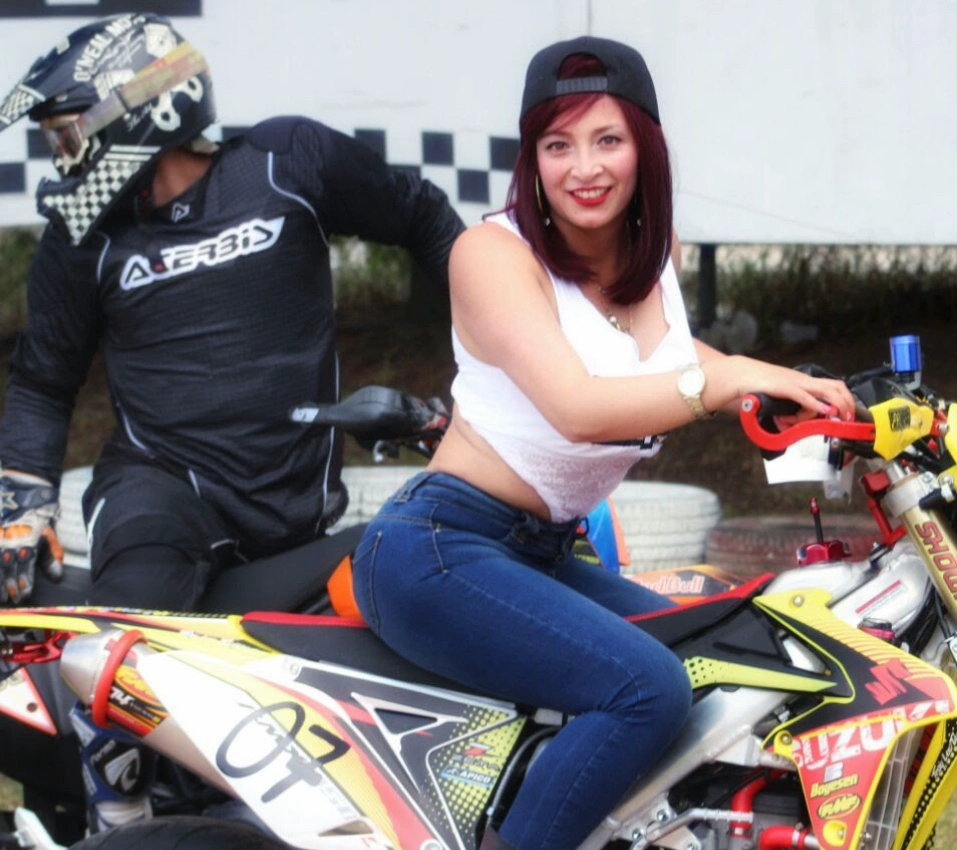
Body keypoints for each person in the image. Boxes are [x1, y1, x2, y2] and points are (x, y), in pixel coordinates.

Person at [352, 36, 857, 850]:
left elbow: (671, 362)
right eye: (558, 145)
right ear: (532, 160)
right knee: (648, 688)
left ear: (645, 148)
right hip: (438, 550)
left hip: (540, 554)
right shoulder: (491, 255)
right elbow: (578, 406)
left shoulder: (650, 259)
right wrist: (724, 382)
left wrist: (804, 395)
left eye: (607, 140)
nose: (584, 168)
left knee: (718, 656)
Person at [0, 12, 463, 833]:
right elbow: (42, 382)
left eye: (69, 137)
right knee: (129, 621)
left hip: (293, 513)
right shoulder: (82, 238)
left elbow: (427, 220)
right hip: (159, 488)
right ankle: (118, 806)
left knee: (432, 568)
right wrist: (21, 504)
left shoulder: (288, 161)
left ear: (141, 110)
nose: (62, 160)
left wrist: (491, 370)